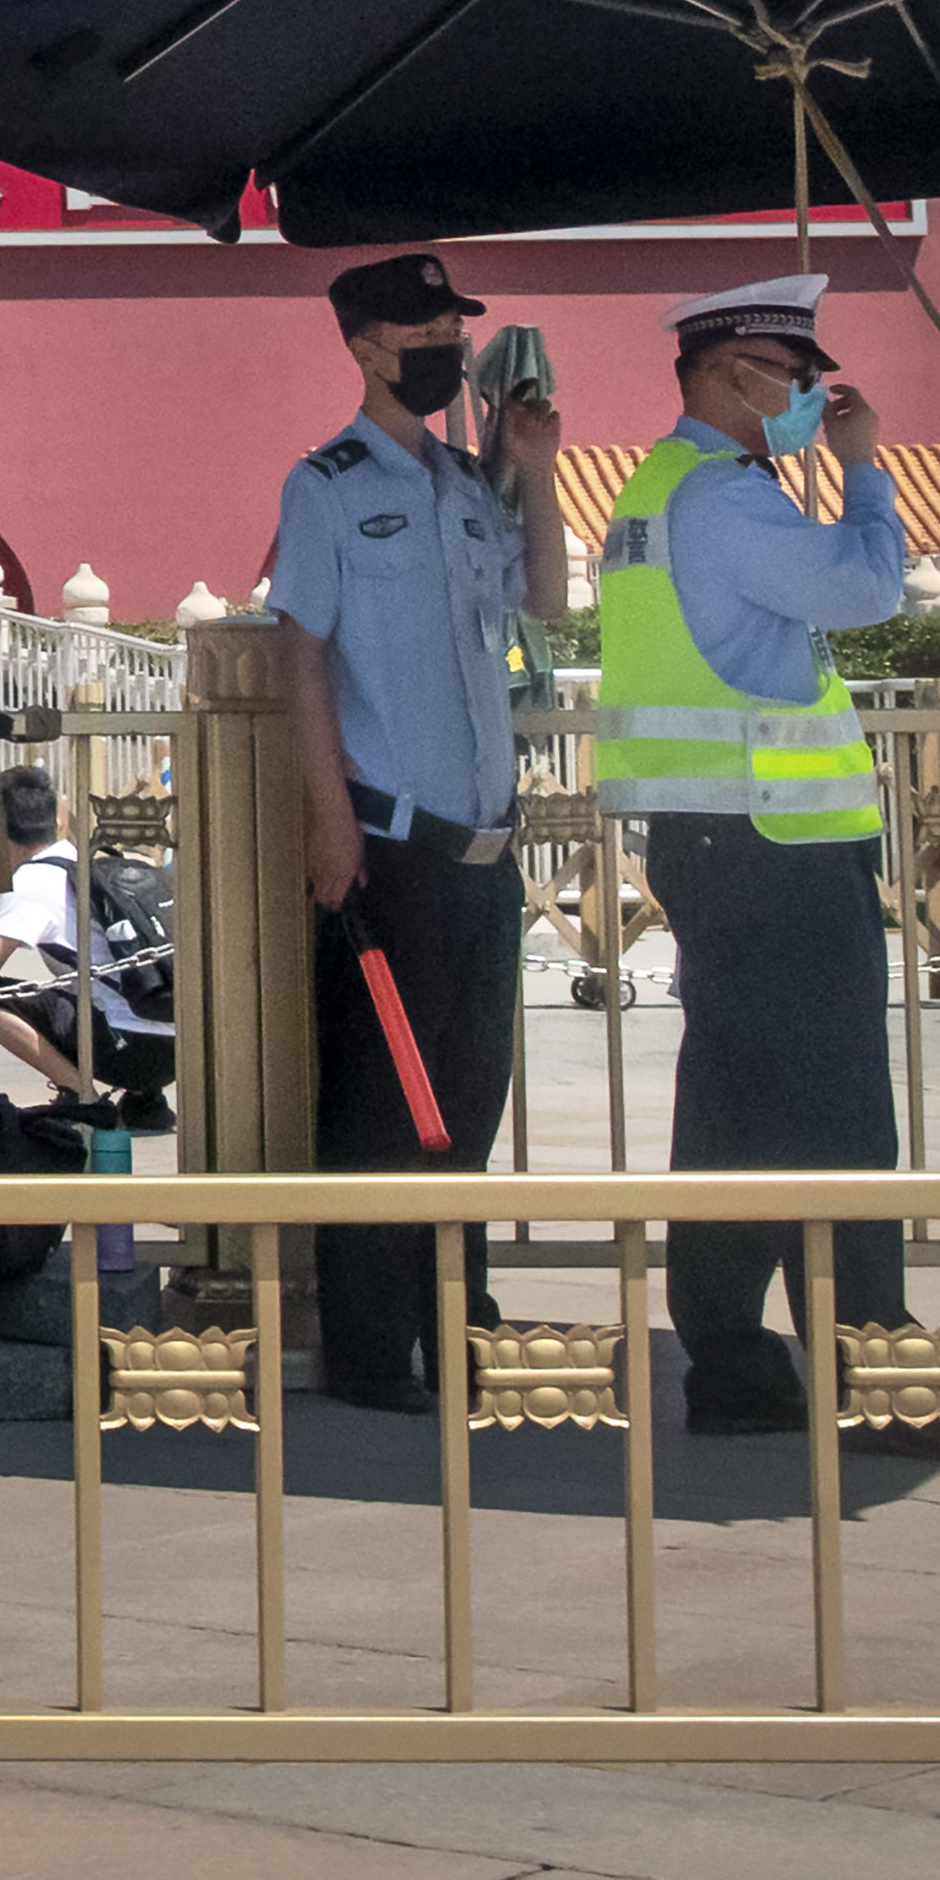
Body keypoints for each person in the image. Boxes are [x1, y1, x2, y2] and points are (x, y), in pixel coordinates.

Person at [591, 271, 940, 1456]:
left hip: (713, 841)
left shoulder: (658, 491)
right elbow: (860, 588)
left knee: (730, 1107)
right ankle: (877, 1378)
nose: (813, 394)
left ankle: (735, 1365)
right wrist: (864, 470)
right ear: (724, 375)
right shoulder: (721, 499)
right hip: (776, 840)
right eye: (795, 376)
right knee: (836, 1114)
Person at [271, 248, 568, 1412]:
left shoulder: (463, 480)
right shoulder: (326, 484)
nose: (444, 349)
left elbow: (540, 602)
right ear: (363, 348)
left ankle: (454, 1322)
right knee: (383, 1107)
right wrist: (326, 821)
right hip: (389, 843)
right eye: (422, 333)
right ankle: (367, 1348)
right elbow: (300, 654)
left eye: (452, 328)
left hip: (485, 849)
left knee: (467, 1100)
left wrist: (532, 476)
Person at [0, 767, 171, 1121]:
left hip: (125, 1049)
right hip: (177, 1047)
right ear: (55, 821)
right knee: (96, 986)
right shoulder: (83, 862)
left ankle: (84, 1099)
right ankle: (146, 1101)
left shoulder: (33, 881)